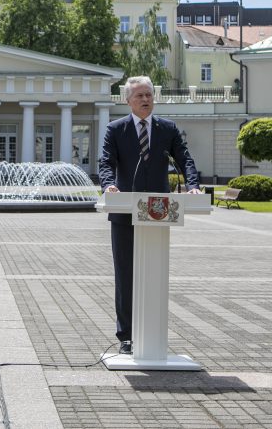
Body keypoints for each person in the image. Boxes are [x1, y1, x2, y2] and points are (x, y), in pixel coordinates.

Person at [98, 75, 202, 355]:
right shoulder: (115, 130)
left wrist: (193, 187)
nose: (146, 100)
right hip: (124, 212)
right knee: (125, 274)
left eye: (149, 95)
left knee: (153, 274)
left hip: (158, 212)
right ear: (127, 101)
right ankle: (127, 336)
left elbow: (185, 159)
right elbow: (106, 162)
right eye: (140, 96)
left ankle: (153, 334)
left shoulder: (167, 128)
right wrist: (109, 185)